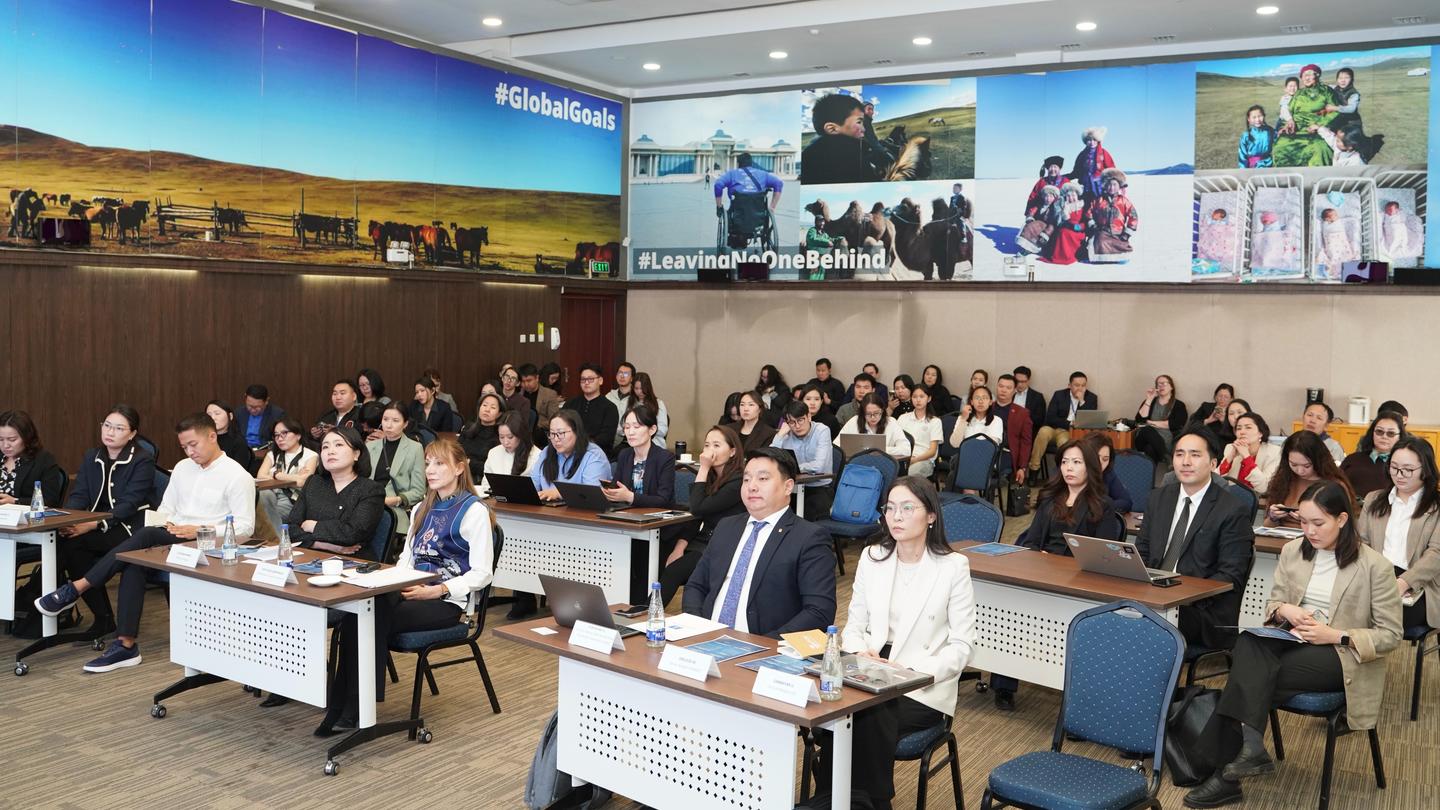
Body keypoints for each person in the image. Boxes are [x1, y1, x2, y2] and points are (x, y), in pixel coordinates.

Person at [1183, 481, 1401, 808]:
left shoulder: (1374, 566)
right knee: (1247, 643)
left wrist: (1336, 634)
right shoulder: (1293, 551)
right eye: (1303, 522)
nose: (1309, 531)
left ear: (1342, 519)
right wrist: (1285, 610)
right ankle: (1246, 754)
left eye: (1318, 523)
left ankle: (1225, 771)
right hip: (1292, 641)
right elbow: (1273, 603)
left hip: (1340, 654)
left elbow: (1390, 635)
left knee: (1250, 676)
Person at [34, 413, 255, 673]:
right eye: (184, 446)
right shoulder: (183, 468)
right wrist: (169, 524)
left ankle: (77, 588)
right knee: (134, 560)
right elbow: (166, 508)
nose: (189, 452)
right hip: (171, 538)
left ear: (212, 436)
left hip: (206, 546)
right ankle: (126, 645)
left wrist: (199, 529)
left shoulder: (237, 476)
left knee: (144, 539)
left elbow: (244, 529)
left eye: (193, 444)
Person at [318, 436, 494, 736]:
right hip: (410, 592)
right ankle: (348, 705)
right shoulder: (421, 509)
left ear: (459, 468)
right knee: (359, 613)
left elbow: (482, 573)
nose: (431, 470)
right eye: (427, 464)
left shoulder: (473, 511)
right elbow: (406, 559)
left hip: (445, 602)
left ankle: (352, 708)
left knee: (367, 618)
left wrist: (437, 590)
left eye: (439, 464)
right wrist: (393, 581)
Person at [822, 477, 976, 810]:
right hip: (870, 667)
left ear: (931, 515)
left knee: (859, 718)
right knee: (839, 713)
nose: (896, 516)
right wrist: (860, 651)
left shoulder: (953, 567)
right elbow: (854, 624)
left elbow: (963, 646)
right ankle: (852, 802)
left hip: (923, 682)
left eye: (907, 508)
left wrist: (911, 671)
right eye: (890, 508)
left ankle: (861, 803)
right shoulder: (873, 556)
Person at [997, 440, 1119, 709]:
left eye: (1076, 462)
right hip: (1044, 576)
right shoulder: (1051, 500)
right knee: (1009, 612)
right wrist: (1036, 556)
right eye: (1064, 462)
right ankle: (1004, 686)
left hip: (1078, 584)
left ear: (1089, 467)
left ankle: (1077, 699)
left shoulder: (1103, 505)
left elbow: (1105, 557)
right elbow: (1031, 541)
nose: (1069, 468)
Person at [682, 447, 836, 636]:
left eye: (763, 479)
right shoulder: (727, 527)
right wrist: (697, 627)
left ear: (788, 487)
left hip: (764, 647)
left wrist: (764, 646)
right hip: (707, 637)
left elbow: (819, 612)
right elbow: (696, 586)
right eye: (746, 479)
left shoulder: (809, 537)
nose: (751, 486)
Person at [1134, 428, 1256, 652]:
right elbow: (1143, 549)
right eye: (1179, 454)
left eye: (1195, 455)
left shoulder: (1232, 509)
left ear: (1212, 463)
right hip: (1154, 596)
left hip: (1201, 611)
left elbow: (1230, 576)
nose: (1186, 462)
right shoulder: (1159, 497)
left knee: (1134, 625)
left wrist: (1180, 598)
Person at [57, 405, 156, 636]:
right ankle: (101, 617)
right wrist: (70, 521)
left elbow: (129, 504)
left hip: (130, 526)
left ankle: (97, 616)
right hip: (93, 526)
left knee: (74, 546)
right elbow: (79, 494)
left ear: (132, 433)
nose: (110, 432)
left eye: (119, 428)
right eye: (107, 425)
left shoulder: (142, 459)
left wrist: (90, 525)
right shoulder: (92, 455)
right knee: (67, 543)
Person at [1356, 436, 1440, 631]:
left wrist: (1403, 583)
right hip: (1377, 574)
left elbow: (1436, 554)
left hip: (1419, 582)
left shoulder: (1436, 506)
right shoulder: (1374, 499)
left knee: (1379, 616)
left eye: (1408, 470)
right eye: (1394, 467)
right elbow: (1362, 543)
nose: (1399, 475)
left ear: (1425, 470)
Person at [656, 426, 746, 606]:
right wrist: (679, 547)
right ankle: (641, 608)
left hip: (724, 543)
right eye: (706, 445)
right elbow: (696, 518)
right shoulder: (711, 477)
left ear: (732, 452)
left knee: (675, 571)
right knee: (662, 555)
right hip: (703, 539)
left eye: (716, 445)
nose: (709, 451)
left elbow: (697, 508)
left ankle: (648, 614)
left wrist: (703, 469)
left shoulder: (738, 481)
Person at [609, 405, 678, 602]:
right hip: (627, 523)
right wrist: (610, 493)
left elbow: (663, 500)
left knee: (638, 569)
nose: (630, 432)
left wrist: (629, 497)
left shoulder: (664, 458)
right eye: (627, 427)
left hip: (657, 528)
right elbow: (618, 487)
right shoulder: (624, 455)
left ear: (652, 429)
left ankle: (638, 606)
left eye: (636, 427)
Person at [286, 427, 384, 559]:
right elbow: (291, 529)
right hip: (310, 555)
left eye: (338, 445)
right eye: (325, 447)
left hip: (353, 561)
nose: (330, 451)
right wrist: (323, 545)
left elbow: (353, 534)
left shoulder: (370, 489)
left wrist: (314, 526)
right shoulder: (313, 483)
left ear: (356, 454)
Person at [1264, 431, 1353, 528]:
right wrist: (1273, 517)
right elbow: (1267, 526)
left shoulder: (1335, 485)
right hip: (1279, 538)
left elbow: (1344, 527)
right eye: (1293, 464)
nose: (1300, 471)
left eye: (1306, 466)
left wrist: (1307, 521)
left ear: (1318, 460)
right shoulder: (1283, 480)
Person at [366, 402, 426, 536]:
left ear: (405, 424)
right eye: (385, 419)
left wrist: (397, 499)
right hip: (367, 506)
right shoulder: (371, 446)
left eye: (395, 420)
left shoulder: (415, 448)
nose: (389, 425)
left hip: (394, 509)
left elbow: (419, 490)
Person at [771, 400, 835, 521]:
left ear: (809, 416)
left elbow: (818, 466)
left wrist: (795, 467)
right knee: (776, 512)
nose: (797, 426)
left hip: (818, 487)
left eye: (800, 420)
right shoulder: (785, 435)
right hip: (792, 488)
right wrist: (779, 436)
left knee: (807, 516)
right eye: (792, 422)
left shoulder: (822, 430)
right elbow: (770, 460)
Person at [255, 416, 319, 534]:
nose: (280, 439)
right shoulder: (272, 454)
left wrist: (275, 474)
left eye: (284, 433)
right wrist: (293, 477)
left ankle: (277, 540)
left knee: (262, 516)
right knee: (264, 495)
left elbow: (302, 482)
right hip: (271, 495)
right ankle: (277, 539)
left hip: (293, 499)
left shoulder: (310, 455)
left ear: (298, 435)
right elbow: (260, 475)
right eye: (276, 435)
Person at [1028, 371, 1098, 477]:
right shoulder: (1059, 395)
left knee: (1064, 442)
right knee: (1043, 432)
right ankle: (1034, 469)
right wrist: (1070, 422)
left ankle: (1061, 474)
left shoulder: (1091, 398)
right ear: (1069, 385)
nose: (1080, 388)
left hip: (1068, 432)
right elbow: (1050, 417)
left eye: (1083, 385)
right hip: (1053, 428)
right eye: (1077, 385)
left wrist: (1082, 401)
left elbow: (1086, 422)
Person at [531, 409, 611, 501]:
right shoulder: (546, 452)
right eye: (552, 433)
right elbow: (533, 484)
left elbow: (593, 495)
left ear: (576, 432)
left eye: (561, 433)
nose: (556, 439)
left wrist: (559, 493)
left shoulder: (593, 455)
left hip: (581, 513)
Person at [800, 93, 872, 186]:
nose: (864, 129)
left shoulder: (809, 156)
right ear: (832, 129)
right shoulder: (853, 155)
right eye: (859, 122)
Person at [0, 410, 64, 507]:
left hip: (26, 519)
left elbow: (50, 501)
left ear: (26, 437)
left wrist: (15, 501)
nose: (5, 445)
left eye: (12, 440)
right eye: (0, 439)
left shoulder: (43, 460)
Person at [1341, 411, 1406, 499]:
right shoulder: (1352, 459)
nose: (1384, 436)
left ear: (1400, 437)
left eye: (1391, 433)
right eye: (1379, 431)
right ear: (1372, 433)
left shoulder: (1404, 465)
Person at [477, 411, 540, 498]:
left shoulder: (537, 455)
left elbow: (538, 489)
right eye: (501, 437)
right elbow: (486, 485)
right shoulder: (494, 453)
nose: (505, 442)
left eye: (510, 437)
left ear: (521, 434)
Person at [564, 363, 619, 456]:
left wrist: (581, 445)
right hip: (570, 451)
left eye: (590, 379)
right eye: (583, 379)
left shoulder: (610, 408)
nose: (586, 382)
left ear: (600, 380)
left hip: (597, 454)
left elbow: (606, 438)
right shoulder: (570, 404)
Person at [1133, 374, 1189, 465]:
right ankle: (1166, 457)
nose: (1160, 386)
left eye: (1163, 383)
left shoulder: (1179, 405)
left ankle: (1148, 478)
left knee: (1150, 448)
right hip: (1143, 439)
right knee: (1147, 429)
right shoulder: (1151, 401)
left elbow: (1177, 424)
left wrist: (1150, 422)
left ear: (1171, 387)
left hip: (1165, 441)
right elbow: (1139, 420)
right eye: (1158, 384)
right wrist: (1149, 399)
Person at [1219, 412, 1280, 492]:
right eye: (1239, 428)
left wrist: (1246, 457)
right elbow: (1215, 480)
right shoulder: (1230, 448)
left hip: (1259, 502)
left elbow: (1264, 488)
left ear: (1260, 433)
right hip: (1231, 499)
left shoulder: (1274, 452)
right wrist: (1230, 457)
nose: (1242, 432)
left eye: (1248, 428)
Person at [839, 393, 911, 459]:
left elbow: (906, 449)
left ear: (882, 411)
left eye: (876, 413)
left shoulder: (891, 422)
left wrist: (881, 450)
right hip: (857, 464)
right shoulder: (854, 421)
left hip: (883, 465)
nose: (872, 417)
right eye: (868, 414)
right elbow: (836, 446)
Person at [992, 374, 1034, 486]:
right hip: (986, 449)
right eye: (1001, 386)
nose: (1003, 390)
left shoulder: (1022, 413)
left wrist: (1023, 467)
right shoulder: (988, 408)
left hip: (1006, 453)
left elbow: (1026, 442)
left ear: (1015, 390)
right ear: (996, 387)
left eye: (1008, 388)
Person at [896, 384, 942, 480]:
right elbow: (895, 441)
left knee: (908, 475)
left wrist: (914, 460)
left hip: (923, 460)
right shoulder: (903, 418)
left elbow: (932, 451)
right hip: (903, 458)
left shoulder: (935, 421)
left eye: (922, 396)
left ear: (929, 399)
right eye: (914, 397)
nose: (918, 400)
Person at [1080, 432, 1134, 514]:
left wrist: (1101, 507)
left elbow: (1126, 502)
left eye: (1105, 459)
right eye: (1096, 457)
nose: (1100, 463)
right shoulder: (1070, 473)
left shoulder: (1108, 473)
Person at [715, 151, 783, 213]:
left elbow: (718, 185)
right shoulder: (763, 174)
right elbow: (779, 183)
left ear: (738, 164)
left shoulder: (732, 174)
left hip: (737, 212)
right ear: (751, 163)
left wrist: (719, 206)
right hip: (759, 213)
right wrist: (772, 207)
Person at [459, 392, 507, 480]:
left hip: (481, 480)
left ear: (499, 413)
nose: (487, 409)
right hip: (460, 474)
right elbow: (456, 452)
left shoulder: (500, 436)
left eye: (493, 407)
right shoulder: (468, 428)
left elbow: (493, 469)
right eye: (484, 405)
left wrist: (469, 463)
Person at [206, 399, 254, 473]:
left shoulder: (238, 441)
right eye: (209, 415)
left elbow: (239, 471)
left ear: (230, 416)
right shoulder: (204, 440)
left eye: (217, 413)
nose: (213, 418)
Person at [239, 384, 286, 453]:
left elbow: (281, 439)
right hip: (242, 450)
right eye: (249, 406)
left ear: (266, 401)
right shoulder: (239, 412)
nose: (253, 410)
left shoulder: (277, 415)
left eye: (257, 407)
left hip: (264, 452)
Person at [628, 372, 669, 447]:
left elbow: (663, 430)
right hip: (634, 442)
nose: (639, 392)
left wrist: (645, 429)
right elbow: (622, 427)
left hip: (654, 441)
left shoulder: (658, 404)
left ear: (648, 388)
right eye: (636, 388)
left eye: (642, 388)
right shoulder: (630, 403)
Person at [1237, 104, 1276, 169]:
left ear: (1264, 116)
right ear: (1249, 119)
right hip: (1253, 167)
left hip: (1269, 165)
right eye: (1254, 117)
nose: (1257, 119)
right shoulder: (1246, 136)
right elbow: (1242, 156)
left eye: (1260, 116)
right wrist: (1243, 171)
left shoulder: (1270, 131)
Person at [1011, 366, 1047, 434]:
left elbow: (1040, 420)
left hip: (1027, 429)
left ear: (1029, 380)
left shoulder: (1037, 397)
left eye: (1023, 381)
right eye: (1017, 381)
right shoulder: (1009, 393)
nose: (1019, 384)